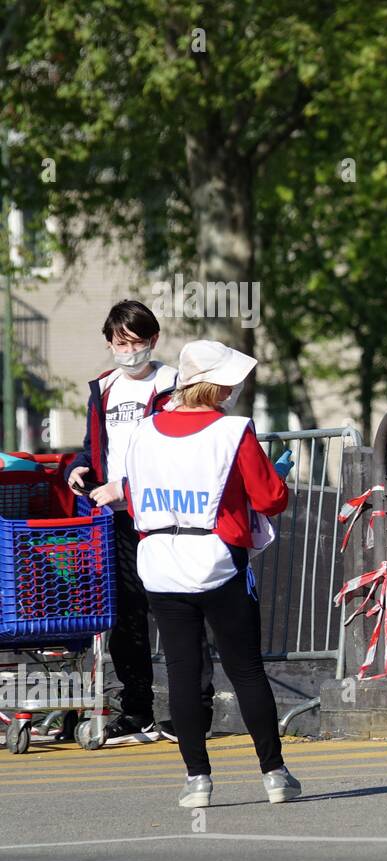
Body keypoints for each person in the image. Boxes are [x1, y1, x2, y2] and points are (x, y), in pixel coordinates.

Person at [113, 340, 299, 807]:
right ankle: (274, 773)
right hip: (218, 559)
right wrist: (275, 475)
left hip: (159, 561)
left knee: (182, 671)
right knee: (246, 670)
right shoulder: (233, 431)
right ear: (217, 386)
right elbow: (271, 499)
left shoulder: (143, 430)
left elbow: (134, 499)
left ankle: (197, 780)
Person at [66, 301, 178, 746]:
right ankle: (137, 712)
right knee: (128, 618)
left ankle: (193, 708)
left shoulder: (172, 385)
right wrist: (79, 467)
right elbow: (96, 445)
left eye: (135, 342)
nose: (126, 350)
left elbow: (173, 454)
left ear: (151, 340)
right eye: (118, 342)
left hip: (164, 514)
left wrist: (126, 486)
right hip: (116, 520)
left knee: (175, 612)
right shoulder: (105, 388)